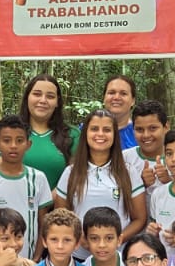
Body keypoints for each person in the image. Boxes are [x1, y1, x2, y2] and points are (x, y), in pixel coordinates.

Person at [55, 109, 147, 255]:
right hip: (78, 256)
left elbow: (140, 219)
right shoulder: (71, 173)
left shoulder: (128, 172)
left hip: (118, 256)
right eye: (94, 129)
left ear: (114, 135)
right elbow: (61, 215)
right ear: (85, 133)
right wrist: (81, 238)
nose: (100, 134)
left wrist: (116, 240)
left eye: (107, 130)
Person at [0, 115, 54, 255]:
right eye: (7, 140)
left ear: (28, 144)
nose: (13, 146)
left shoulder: (38, 178)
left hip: (29, 261)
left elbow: (43, 223)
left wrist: (36, 258)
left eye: (19, 140)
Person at [0, 76, 74, 183]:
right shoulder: (5, 130)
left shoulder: (72, 134)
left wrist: (46, 194)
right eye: (37, 94)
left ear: (57, 101)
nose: (43, 100)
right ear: (27, 98)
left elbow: (77, 177)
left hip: (57, 194)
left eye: (50, 96)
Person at [125, 100, 172, 204]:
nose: (146, 135)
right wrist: (140, 184)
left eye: (153, 128)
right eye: (139, 129)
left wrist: (169, 181)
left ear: (166, 127)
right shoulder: (124, 158)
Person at [100, 75, 140, 149]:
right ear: (104, 98)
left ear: (133, 101)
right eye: (111, 93)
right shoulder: (85, 130)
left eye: (123, 93)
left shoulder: (141, 134)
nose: (116, 97)